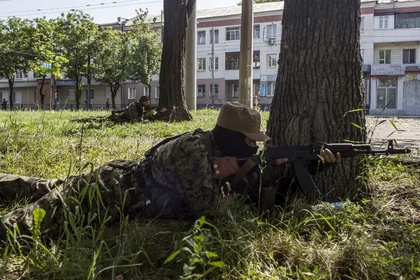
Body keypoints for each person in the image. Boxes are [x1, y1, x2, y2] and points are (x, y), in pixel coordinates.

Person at [0, 102, 340, 240]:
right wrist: (248, 178)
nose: (255, 148)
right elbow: (209, 213)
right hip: (106, 195)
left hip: (115, 180)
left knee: (32, 185)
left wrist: (303, 170)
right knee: (21, 226)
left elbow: (244, 184)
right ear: (232, 138)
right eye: (250, 142)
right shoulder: (195, 152)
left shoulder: (216, 150)